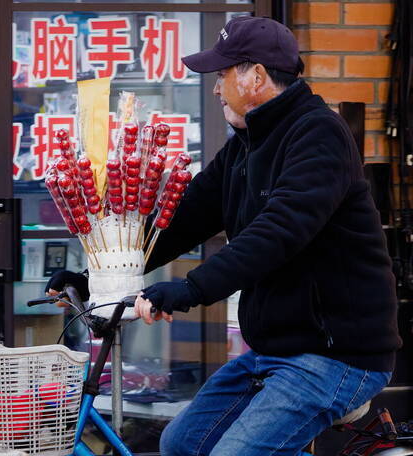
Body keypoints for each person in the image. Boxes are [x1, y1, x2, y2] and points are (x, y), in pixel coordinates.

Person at [46, 16, 402, 455]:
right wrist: (96, 277)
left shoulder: (318, 134)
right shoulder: (244, 144)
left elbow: (279, 232)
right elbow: (184, 218)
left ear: (254, 77)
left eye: (222, 74)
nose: (215, 88)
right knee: (182, 443)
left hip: (336, 355)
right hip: (275, 351)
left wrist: (190, 289)